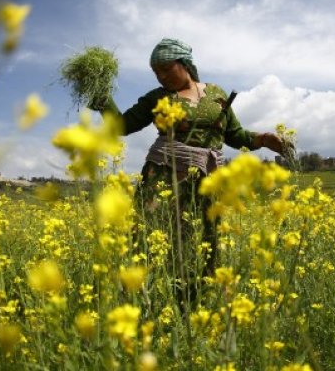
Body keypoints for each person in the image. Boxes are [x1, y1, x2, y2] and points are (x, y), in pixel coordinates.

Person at [90, 38, 288, 304]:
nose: (161, 76)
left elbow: (235, 135)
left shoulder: (217, 95)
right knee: (148, 240)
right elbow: (121, 126)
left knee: (203, 244)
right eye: (156, 72)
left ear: (184, 64)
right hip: (163, 179)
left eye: (166, 68)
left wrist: (263, 139)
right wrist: (102, 95)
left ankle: (195, 307)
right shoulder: (158, 98)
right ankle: (136, 305)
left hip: (206, 183)